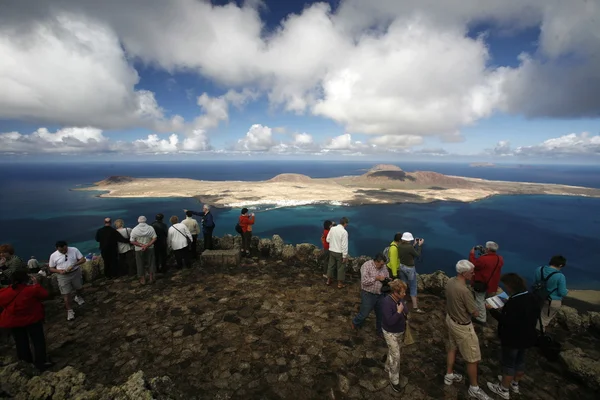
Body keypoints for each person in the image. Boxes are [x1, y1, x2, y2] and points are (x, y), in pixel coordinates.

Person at [486, 273, 540, 399]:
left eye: (506, 285)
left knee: (509, 364)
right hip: (528, 336)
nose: (505, 287)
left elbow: (506, 320)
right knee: (520, 361)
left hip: (513, 337)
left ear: (510, 286)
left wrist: (491, 309)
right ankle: (515, 384)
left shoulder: (514, 302)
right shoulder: (532, 297)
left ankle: (503, 389)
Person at [444, 260, 491, 400]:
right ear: (464, 273)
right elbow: (475, 312)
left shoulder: (450, 282)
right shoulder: (464, 291)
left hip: (450, 319)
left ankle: (449, 375)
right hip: (463, 327)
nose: (474, 274)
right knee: (472, 359)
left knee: (452, 348)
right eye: (471, 272)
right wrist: (486, 306)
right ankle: (474, 388)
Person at [0, 270, 50, 370]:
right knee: (38, 341)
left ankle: (26, 363)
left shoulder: (4, 293)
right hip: (33, 320)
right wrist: (36, 284)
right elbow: (45, 295)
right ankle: (41, 363)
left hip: (14, 322)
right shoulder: (32, 290)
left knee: (20, 343)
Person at [381, 279, 409, 392]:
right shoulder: (387, 303)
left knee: (393, 351)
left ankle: (387, 367)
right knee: (396, 356)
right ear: (396, 292)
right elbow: (389, 322)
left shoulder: (400, 299)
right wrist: (398, 312)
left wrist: (402, 310)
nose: (404, 294)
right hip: (390, 332)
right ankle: (394, 380)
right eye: (402, 292)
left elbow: (406, 311)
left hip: (399, 331)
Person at [351, 253, 390, 336]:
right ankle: (355, 323)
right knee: (364, 313)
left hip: (380, 294)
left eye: (383, 264)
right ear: (376, 261)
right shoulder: (366, 266)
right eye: (381, 264)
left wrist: (387, 279)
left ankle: (379, 331)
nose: (383, 266)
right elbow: (364, 282)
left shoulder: (383, 266)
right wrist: (376, 278)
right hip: (368, 294)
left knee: (381, 314)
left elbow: (386, 275)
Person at [48, 241, 86, 321]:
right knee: (66, 294)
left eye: (65, 249)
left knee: (79, 288)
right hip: (63, 276)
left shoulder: (74, 250)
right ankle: (70, 311)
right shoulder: (53, 256)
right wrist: (59, 271)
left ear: (67, 246)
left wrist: (74, 265)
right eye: (61, 251)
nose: (63, 251)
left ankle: (78, 297)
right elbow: (51, 268)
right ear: (57, 249)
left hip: (75, 272)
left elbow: (83, 259)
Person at [469, 241, 504, 324]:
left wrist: (472, 253)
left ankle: (481, 318)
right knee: (491, 298)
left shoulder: (483, 259)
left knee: (479, 299)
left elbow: (473, 264)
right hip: (492, 284)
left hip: (482, 284)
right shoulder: (500, 258)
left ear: (488, 249)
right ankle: (493, 315)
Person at [533, 255, 568, 330]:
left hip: (538, 297)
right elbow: (562, 292)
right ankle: (538, 336)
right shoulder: (560, 276)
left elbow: (536, 282)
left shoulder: (539, 269)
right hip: (552, 301)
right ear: (561, 265)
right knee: (543, 320)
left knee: (535, 316)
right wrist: (567, 291)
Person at [398, 232, 425, 313]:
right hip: (409, 269)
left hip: (401, 267)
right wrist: (420, 246)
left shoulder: (400, 245)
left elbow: (408, 251)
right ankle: (415, 307)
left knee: (403, 285)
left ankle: (401, 302)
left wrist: (414, 245)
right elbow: (417, 255)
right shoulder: (409, 247)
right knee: (413, 286)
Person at [130, 216, 157, 285]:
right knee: (151, 262)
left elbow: (132, 241)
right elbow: (154, 238)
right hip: (150, 248)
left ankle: (143, 279)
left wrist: (141, 245)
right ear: (145, 220)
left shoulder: (135, 229)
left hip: (139, 249)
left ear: (138, 221)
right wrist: (147, 245)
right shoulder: (150, 228)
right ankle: (151, 278)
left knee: (140, 263)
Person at [326, 217, 349, 289]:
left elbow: (327, 239)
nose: (347, 225)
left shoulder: (332, 229)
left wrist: (333, 243)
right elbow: (344, 245)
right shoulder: (344, 232)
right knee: (341, 268)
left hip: (332, 251)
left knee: (331, 266)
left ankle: (328, 280)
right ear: (345, 223)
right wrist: (344, 256)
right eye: (347, 224)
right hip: (339, 252)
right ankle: (340, 284)